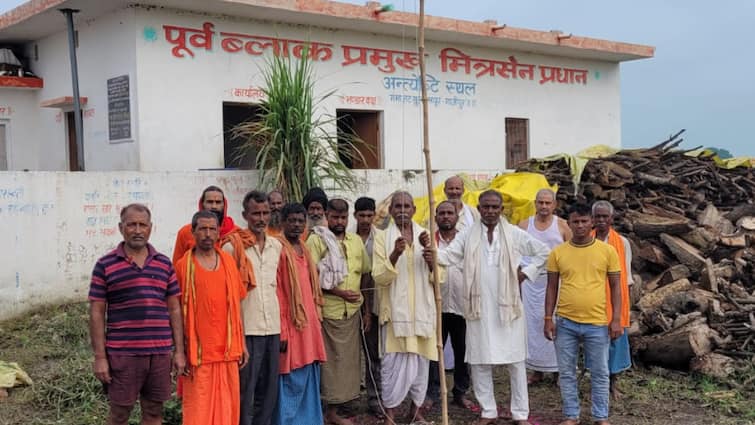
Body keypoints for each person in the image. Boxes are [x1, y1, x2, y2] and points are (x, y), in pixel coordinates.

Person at [431, 190, 549, 425]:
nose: (491, 211)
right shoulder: (467, 234)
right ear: (479, 208)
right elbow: (449, 256)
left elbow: (544, 253)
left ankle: (520, 414)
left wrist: (526, 273)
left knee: (516, 362)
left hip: (509, 308)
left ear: (501, 209)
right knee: (479, 360)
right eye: (486, 207)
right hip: (478, 308)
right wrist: (429, 250)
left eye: (495, 207)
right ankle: (488, 411)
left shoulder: (514, 234)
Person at [89, 204, 186, 425]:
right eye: (132, 224)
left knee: (153, 413)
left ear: (151, 228)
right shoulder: (105, 265)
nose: (137, 230)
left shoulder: (164, 264)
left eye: (143, 225)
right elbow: (96, 312)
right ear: (121, 227)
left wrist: (179, 351)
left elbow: (174, 308)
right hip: (123, 355)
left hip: (159, 354)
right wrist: (100, 357)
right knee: (119, 414)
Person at [544, 203, 623, 425]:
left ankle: (600, 416)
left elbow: (616, 287)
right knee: (566, 372)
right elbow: (551, 287)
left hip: (597, 323)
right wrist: (548, 319)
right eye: (575, 222)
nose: (580, 226)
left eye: (584, 221)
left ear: (592, 223)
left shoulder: (607, 251)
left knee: (599, 372)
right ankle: (571, 415)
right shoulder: (558, 253)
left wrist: (616, 319)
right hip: (565, 322)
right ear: (568, 224)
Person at [176, 210, 249, 425]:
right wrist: (179, 350)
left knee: (228, 409)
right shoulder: (182, 267)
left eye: (212, 229)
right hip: (198, 355)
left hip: (228, 351)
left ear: (219, 233)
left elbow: (238, 304)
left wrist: (242, 342)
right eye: (202, 229)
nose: (208, 234)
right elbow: (176, 312)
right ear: (193, 232)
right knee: (198, 411)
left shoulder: (227, 262)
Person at [372, 191, 437, 424]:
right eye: (397, 206)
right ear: (390, 211)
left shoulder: (426, 237)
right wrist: (396, 253)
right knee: (391, 365)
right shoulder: (381, 237)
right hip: (395, 316)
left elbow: (440, 279)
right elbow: (379, 277)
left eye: (407, 206)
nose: (402, 210)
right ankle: (390, 415)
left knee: (421, 365)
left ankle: (414, 412)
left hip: (422, 313)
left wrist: (431, 260)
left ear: (414, 210)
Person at [307, 199, 371, 425]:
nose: (339, 222)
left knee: (348, 363)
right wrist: (340, 294)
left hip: (352, 313)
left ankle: (339, 409)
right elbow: (312, 278)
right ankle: (328, 411)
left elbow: (364, 273)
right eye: (335, 217)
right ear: (326, 215)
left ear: (348, 217)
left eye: (343, 218)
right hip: (328, 312)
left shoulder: (355, 241)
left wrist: (366, 311)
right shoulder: (317, 240)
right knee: (329, 364)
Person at [222, 190, 283, 425]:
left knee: (269, 392)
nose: (261, 218)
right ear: (245, 215)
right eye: (255, 213)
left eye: (265, 213)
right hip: (247, 330)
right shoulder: (232, 247)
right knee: (246, 393)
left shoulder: (276, 246)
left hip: (273, 328)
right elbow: (228, 296)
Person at [273, 203, 327, 425]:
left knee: (309, 374)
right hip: (290, 326)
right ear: (283, 222)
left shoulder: (304, 249)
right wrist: (283, 331)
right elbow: (276, 293)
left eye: (300, 221)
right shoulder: (277, 249)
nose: (296, 225)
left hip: (309, 326)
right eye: (292, 220)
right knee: (289, 378)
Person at [517, 188, 572, 384]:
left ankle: (558, 370)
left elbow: (570, 252)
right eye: (541, 202)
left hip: (555, 282)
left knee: (556, 324)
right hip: (530, 283)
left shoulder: (563, 226)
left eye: (548, 203)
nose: (544, 206)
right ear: (535, 203)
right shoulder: (524, 225)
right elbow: (517, 252)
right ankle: (536, 370)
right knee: (532, 325)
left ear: (554, 205)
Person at [426, 201, 474, 410]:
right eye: (442, 213)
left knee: (463, 351)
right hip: (436, 307)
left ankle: (461, 392)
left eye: (450, 213)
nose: (446, 216)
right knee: (434, 353)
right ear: (436, 217)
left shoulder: (467, 241)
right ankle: (433, 394)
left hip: (463, 307)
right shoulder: (429, 242)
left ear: (456, 217)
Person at [591, 200, 634, 400]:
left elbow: (627, 278)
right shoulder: (585, 240)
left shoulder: (622, 243)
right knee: (595, 343)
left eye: (604, 217)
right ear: (592, 219)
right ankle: (597, 384)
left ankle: (613, 383)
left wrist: (624, 308)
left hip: (616, 299)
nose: (600, 220)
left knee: (616, 342)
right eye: (597, 216)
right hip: (591, 299)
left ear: (611, 218)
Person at [353, 196, 383, 416]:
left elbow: (372, 278)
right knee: (349, 357)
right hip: (346, 304)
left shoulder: (381, 239)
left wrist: (368, 312)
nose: (365, 219)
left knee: (374, 356)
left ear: (375, 215)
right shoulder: (346, 238)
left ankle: (375, 399)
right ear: (355, 216)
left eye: (369, 215)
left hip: (372, 305)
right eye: (361, 215)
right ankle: (347, 399)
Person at [173, 185, 239, 264]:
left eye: (218, 202)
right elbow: (176, 267)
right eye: (210, 202)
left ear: (224, 205)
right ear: (202, 204)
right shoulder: (185, 232)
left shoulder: (236, 233)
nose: (214, 206)